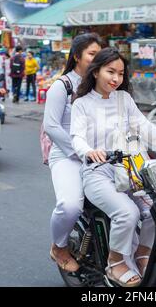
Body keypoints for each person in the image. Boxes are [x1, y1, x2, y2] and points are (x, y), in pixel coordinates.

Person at [70, 47, 156, 287]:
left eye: (120, 73)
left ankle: (142, 254)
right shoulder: (82, 104)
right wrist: (89, 151)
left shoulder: (123, 99)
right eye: (110, 72)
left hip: (130, 169)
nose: (116, 79)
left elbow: (144, 127)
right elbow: (76, 136)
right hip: (99, 172)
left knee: (155, 209)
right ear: (95, 72)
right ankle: (115, 262)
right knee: (127, 213)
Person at [43, 33, 103, 273]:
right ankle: (59, 247)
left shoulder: (102, 85)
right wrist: (80, 150)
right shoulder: (62, 86)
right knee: (70, 206)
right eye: (92, 54)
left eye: (100, 55)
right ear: (77, 56)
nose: (97, 59)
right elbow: (51, 126)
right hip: (68, 155)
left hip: (100, 154)